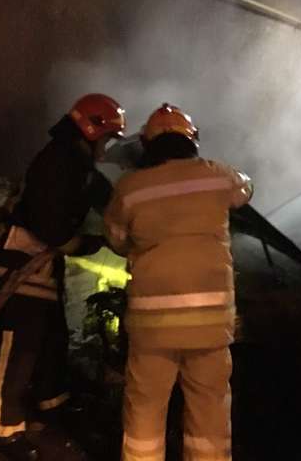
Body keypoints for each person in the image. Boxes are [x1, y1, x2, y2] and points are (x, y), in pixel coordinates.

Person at [104, 103, 253, 461]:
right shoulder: (217, 175)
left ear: (146, 144)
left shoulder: (130, 188)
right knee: (209, 412)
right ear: (192, 140)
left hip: (152, 329)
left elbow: (116, 239)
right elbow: (245, 189)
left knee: (145, 410)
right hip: (209, 327)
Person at [0, 93, 126, 460]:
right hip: (20, 264)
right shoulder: (58, 161)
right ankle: (4, 428)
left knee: (51, 338)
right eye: (108, 138)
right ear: (91, 130)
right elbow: (49, 224)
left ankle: (51, 402)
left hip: (41, 267)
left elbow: (107, 199)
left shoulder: (76, 163)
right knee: (20, 347)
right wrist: (82, 244)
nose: (108, 147)